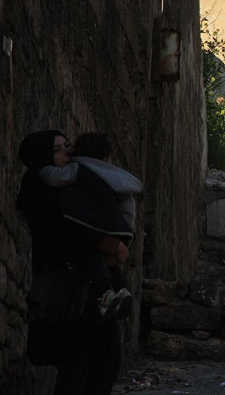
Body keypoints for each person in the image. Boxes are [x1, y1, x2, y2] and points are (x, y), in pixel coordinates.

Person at [17, 130, 121, 393]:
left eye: (67, 146)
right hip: (67, 288)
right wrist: (110, 245)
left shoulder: (67, 187)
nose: (68, 153)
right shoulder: (40, 189)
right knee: (78, 360)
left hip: (85, 286)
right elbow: (68, 232)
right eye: (58, 149)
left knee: (102, 359)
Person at [38, 133, 142, 321]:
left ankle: (106, 295)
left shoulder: (78, 168)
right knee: (106, 261)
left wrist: (43, 170)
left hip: (92, 225)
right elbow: (128, 209)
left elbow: (56, 178)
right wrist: (129, 233)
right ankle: (122, 290)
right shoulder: (116, 178)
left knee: (92, 255)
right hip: (117, 228)